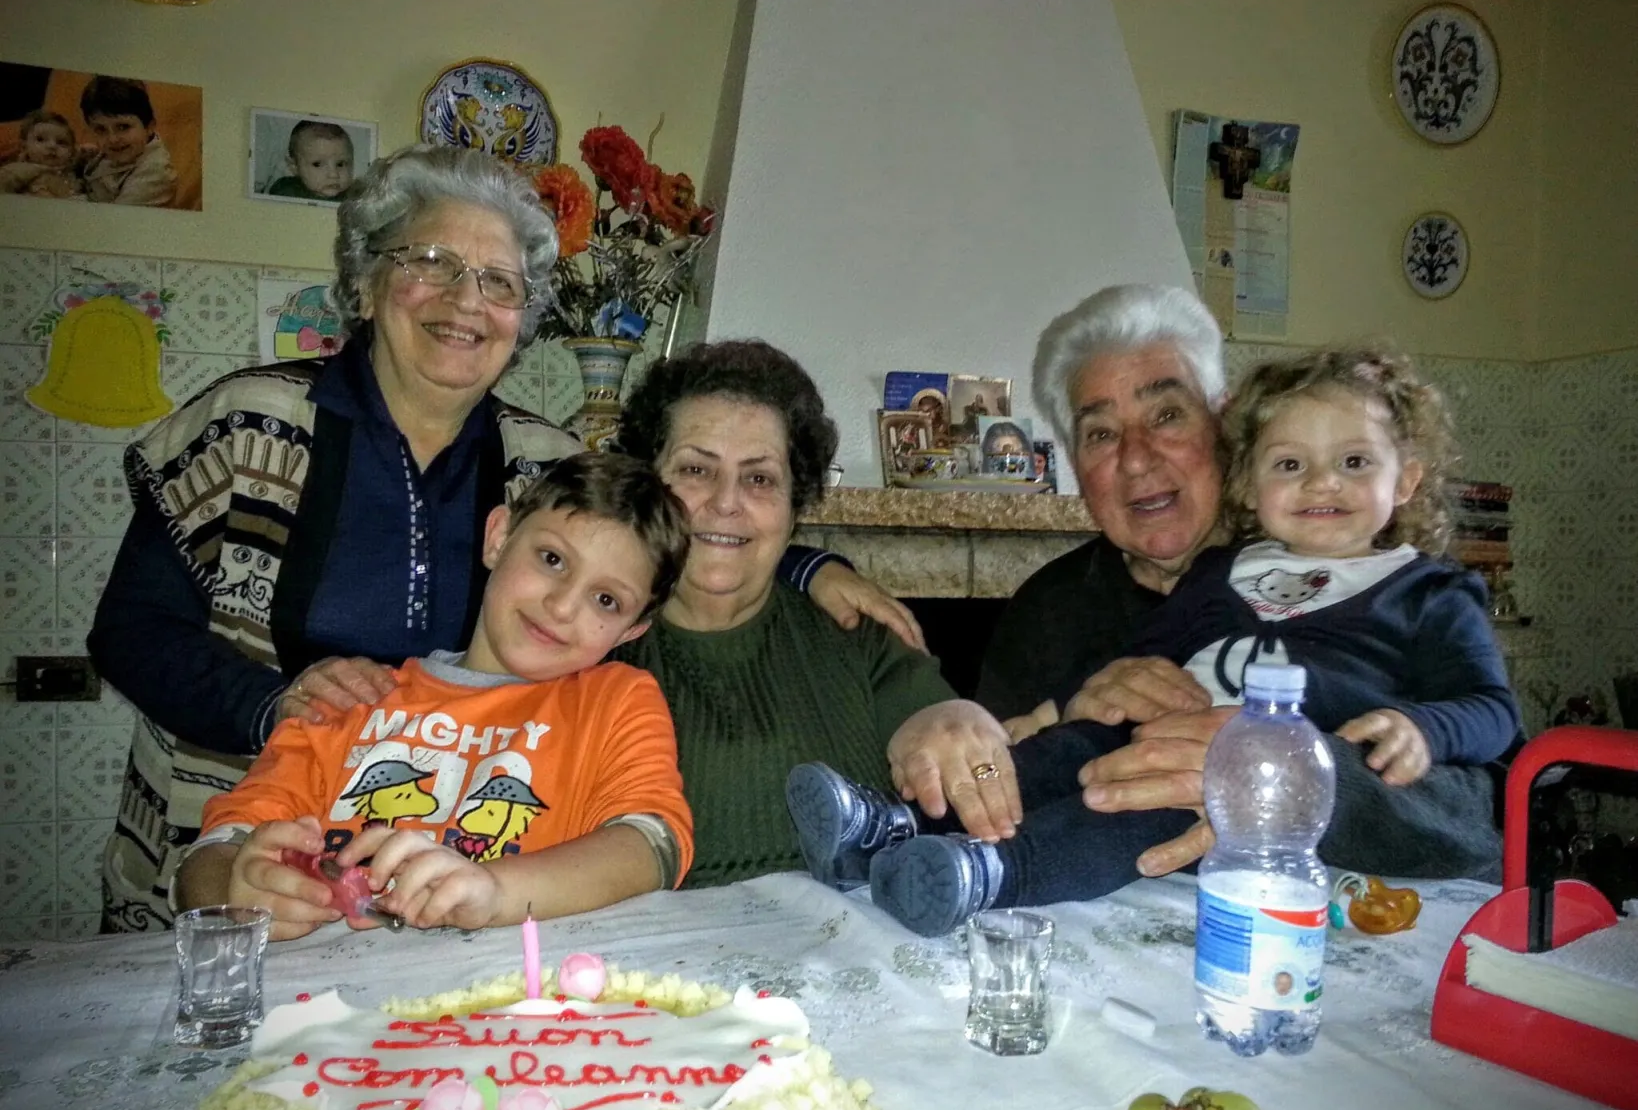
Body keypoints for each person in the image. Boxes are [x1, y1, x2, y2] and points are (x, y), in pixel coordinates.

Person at [88, 144, 918, 932]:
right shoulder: (248, 424)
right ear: (369, 280)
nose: (466, 301)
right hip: (255, 850)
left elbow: (667, 534)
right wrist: (278, 709)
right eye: (432, 264)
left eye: (497, 282)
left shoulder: (544, 463)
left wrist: (808, 567)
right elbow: (130, 631)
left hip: (469, 877)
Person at [829, 285, 1506, 922]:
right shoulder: (1059, 608)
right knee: (1087, 752)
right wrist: (980, 714)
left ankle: (993, 874)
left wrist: (1293, 786)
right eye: (1100, 433)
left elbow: (1491, 811)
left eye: (1167, 415)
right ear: (1072, 463)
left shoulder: (1415, 590)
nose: (1137, 456)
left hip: (1305, 920)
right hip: (1114, 923)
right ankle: (888, 828)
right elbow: (1029, 748)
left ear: (1225, 426)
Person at [174, 453, 694, 941]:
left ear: (631, 630)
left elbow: (651, 847)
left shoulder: (615, 700)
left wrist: (494, 892)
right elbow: (212, 855)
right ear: (499, 536)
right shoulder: (350, 700)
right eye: (552, 558)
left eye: (606, 599)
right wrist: (236, 891)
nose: (561, 606)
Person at [611, 340, 960, 887]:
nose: (726, 502)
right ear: (644, 486)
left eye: (759, 479)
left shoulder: (859, 636)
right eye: (697, 469)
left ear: (795, 507)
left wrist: (974, 734)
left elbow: (951, 741)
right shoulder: (585, 648)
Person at [79, 75, 177, 207]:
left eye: (123, 127)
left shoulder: (155, 174)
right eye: (101, 129)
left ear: (149, 127)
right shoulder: (123, 150)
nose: (112, 139)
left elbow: (112, 220)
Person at [0, 110, 86, 198]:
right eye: (40, 139)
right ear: (24, 147)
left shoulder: (73, 176)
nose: (52, 146)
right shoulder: (16, 171)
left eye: (61, 142)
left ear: (72, 152)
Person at [266, 119, 355, 202]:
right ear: (294, 167)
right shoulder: (284, 190)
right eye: (317, 164)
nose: (333, 174)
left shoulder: (352, 199)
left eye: (340, 164)